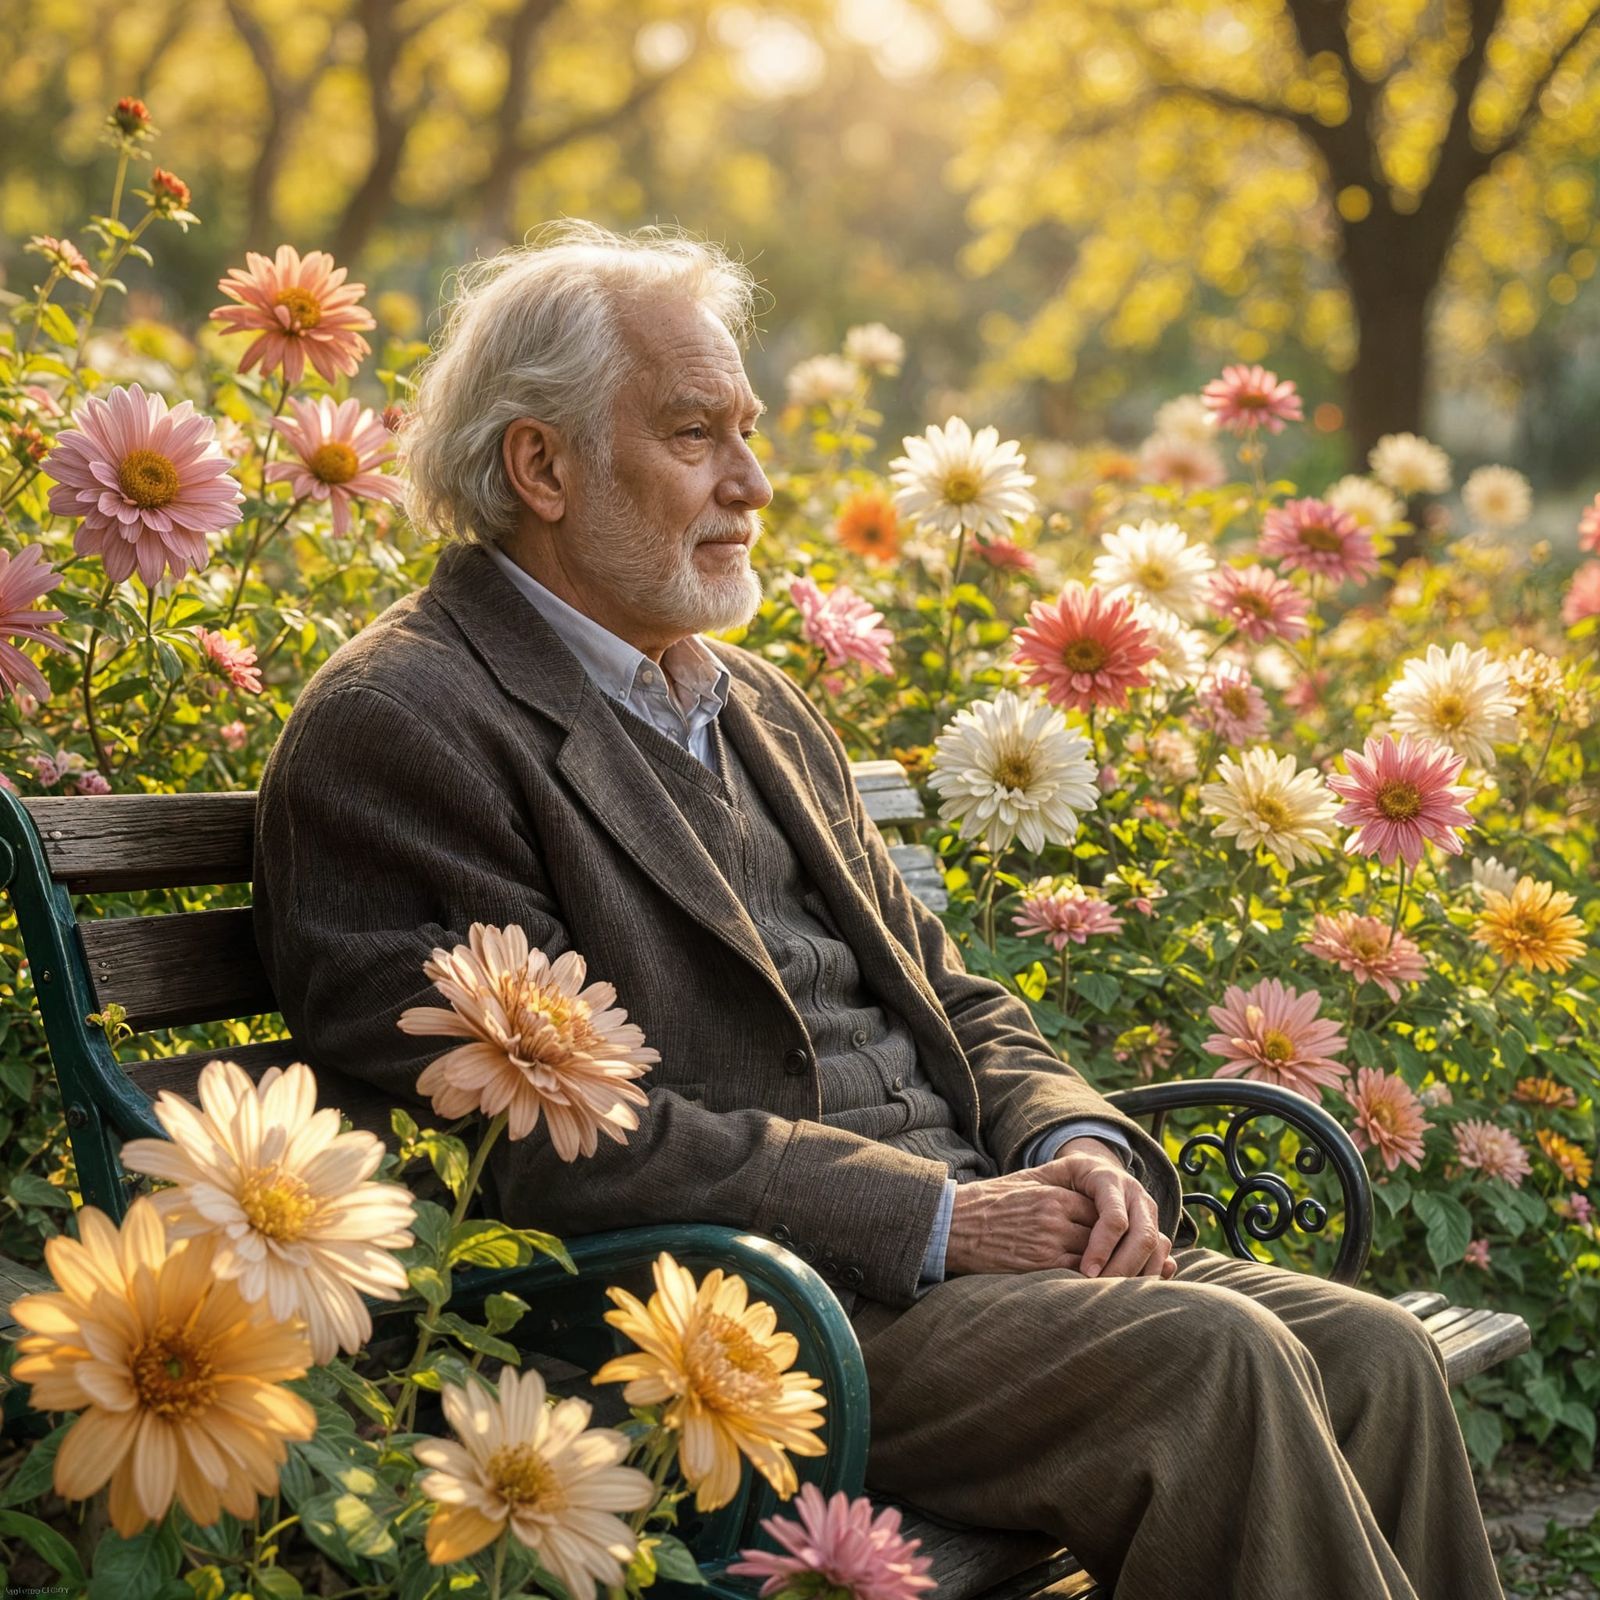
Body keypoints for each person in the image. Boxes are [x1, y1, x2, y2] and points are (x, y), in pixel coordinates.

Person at [252, 221, 1504, 1600]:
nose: (753, 482)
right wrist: (936, 1220)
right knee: (1216, 1367)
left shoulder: (755, 705)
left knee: (1374, 1358)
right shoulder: (405, 725)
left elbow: (953, 995)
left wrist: (1076, 1138)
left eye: (749, 430)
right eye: (693, 436)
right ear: (540, 465)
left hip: (957, 1261)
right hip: (736, 1314)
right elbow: (521, 1144)